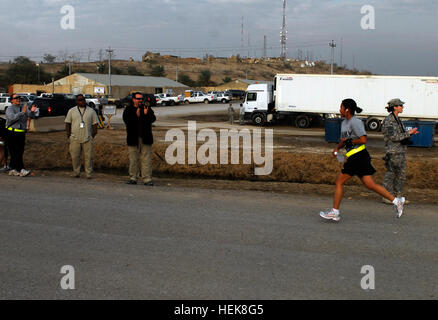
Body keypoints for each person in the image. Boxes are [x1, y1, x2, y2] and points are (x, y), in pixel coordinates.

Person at [320, 99, 406, 222]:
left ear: (347, 109)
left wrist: (351, 141)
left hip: (358, 156)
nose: (340, 110)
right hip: (356, 157)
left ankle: (335, 212)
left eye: (341, 107)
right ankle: (396, 201)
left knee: (339, 182)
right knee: (370, 184)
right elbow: (344, 140)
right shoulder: (344, 123)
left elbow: (363, 139)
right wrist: (336, 148)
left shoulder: (356, 122)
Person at [381, 98, 419, 205]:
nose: (402, 107)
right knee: (391, 174)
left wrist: (410, 133)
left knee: (400, 175)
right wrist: (409, 133)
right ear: (395, 107)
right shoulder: (389, 121)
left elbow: (400, 133)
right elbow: (394, 137)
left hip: (400, 151)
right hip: (393, 152)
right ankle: (387, 196)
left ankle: (397, 196)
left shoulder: (397, 119)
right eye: (401, 106)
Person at [123, 92, 156, 186]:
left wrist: (146, 114)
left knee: (146, 159)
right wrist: (136, 116)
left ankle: (147, 179)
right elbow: (127, 121)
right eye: (138, 99)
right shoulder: (128, 109)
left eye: (141, 99)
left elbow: (153, 119)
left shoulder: (146, 108)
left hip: (145, 138)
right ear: (133, 99)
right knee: (133, 159)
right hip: (133, 138)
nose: (140, 100)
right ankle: (133, 177)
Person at [65, 94, 99, 179]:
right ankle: (76, 172)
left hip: (87, 138)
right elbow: (68, 123)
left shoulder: (91, 111)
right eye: (80, 100)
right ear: (76, 101)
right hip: (75, 138)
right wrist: (69, 134)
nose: (82, 101)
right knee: (75, 156)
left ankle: (89, 173)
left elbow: (95, 124)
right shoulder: (71, 111)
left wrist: (92, 135)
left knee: (89, 157)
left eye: (83, 99)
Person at [5, 94, 37, 177]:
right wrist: (22, 113)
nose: (18, 100)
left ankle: (13, 169)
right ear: (12, 100)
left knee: (20, 151)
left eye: (19, 98)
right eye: (16, 98)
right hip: (12, 133)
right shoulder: (10, 109)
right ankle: (21, 169)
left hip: (21, 133)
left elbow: (31, 116)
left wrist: (32, 111)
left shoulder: (24, 107)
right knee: (15, 152)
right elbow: (12, 118)